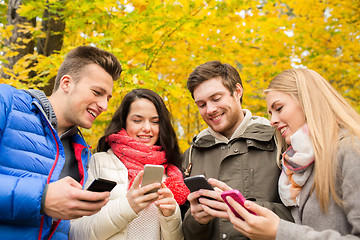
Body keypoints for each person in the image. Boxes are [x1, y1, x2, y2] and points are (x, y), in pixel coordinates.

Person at [0, 45, 122, 240]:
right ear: (66, 83)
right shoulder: (6, 102)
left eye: (107, 98)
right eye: (97, 92)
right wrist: (42, 198)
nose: (104, 106)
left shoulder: (82, 153)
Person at [225, 68, 360, 239]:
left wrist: (279, 232)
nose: (272, 120)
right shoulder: (297, 164)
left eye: (279, 108)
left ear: (308, 101)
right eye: (270, 113)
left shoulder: (351, 149)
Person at [182, 60, 292, 240]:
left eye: (216, 99)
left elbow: (304, 216)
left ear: (237, 91)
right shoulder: (191, 154)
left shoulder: (280, 141)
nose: (210, 109)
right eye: (201, 105)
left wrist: (242, 208)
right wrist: (197, 221)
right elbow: (186, 232)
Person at [70, 89, 189, 240]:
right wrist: (127, 206)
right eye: (137, 120)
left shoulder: (171, 173)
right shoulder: (99, 162)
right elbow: (77, 232)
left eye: (155, 121)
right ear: (124, 122)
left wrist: (171, 216)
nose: (147, 128)